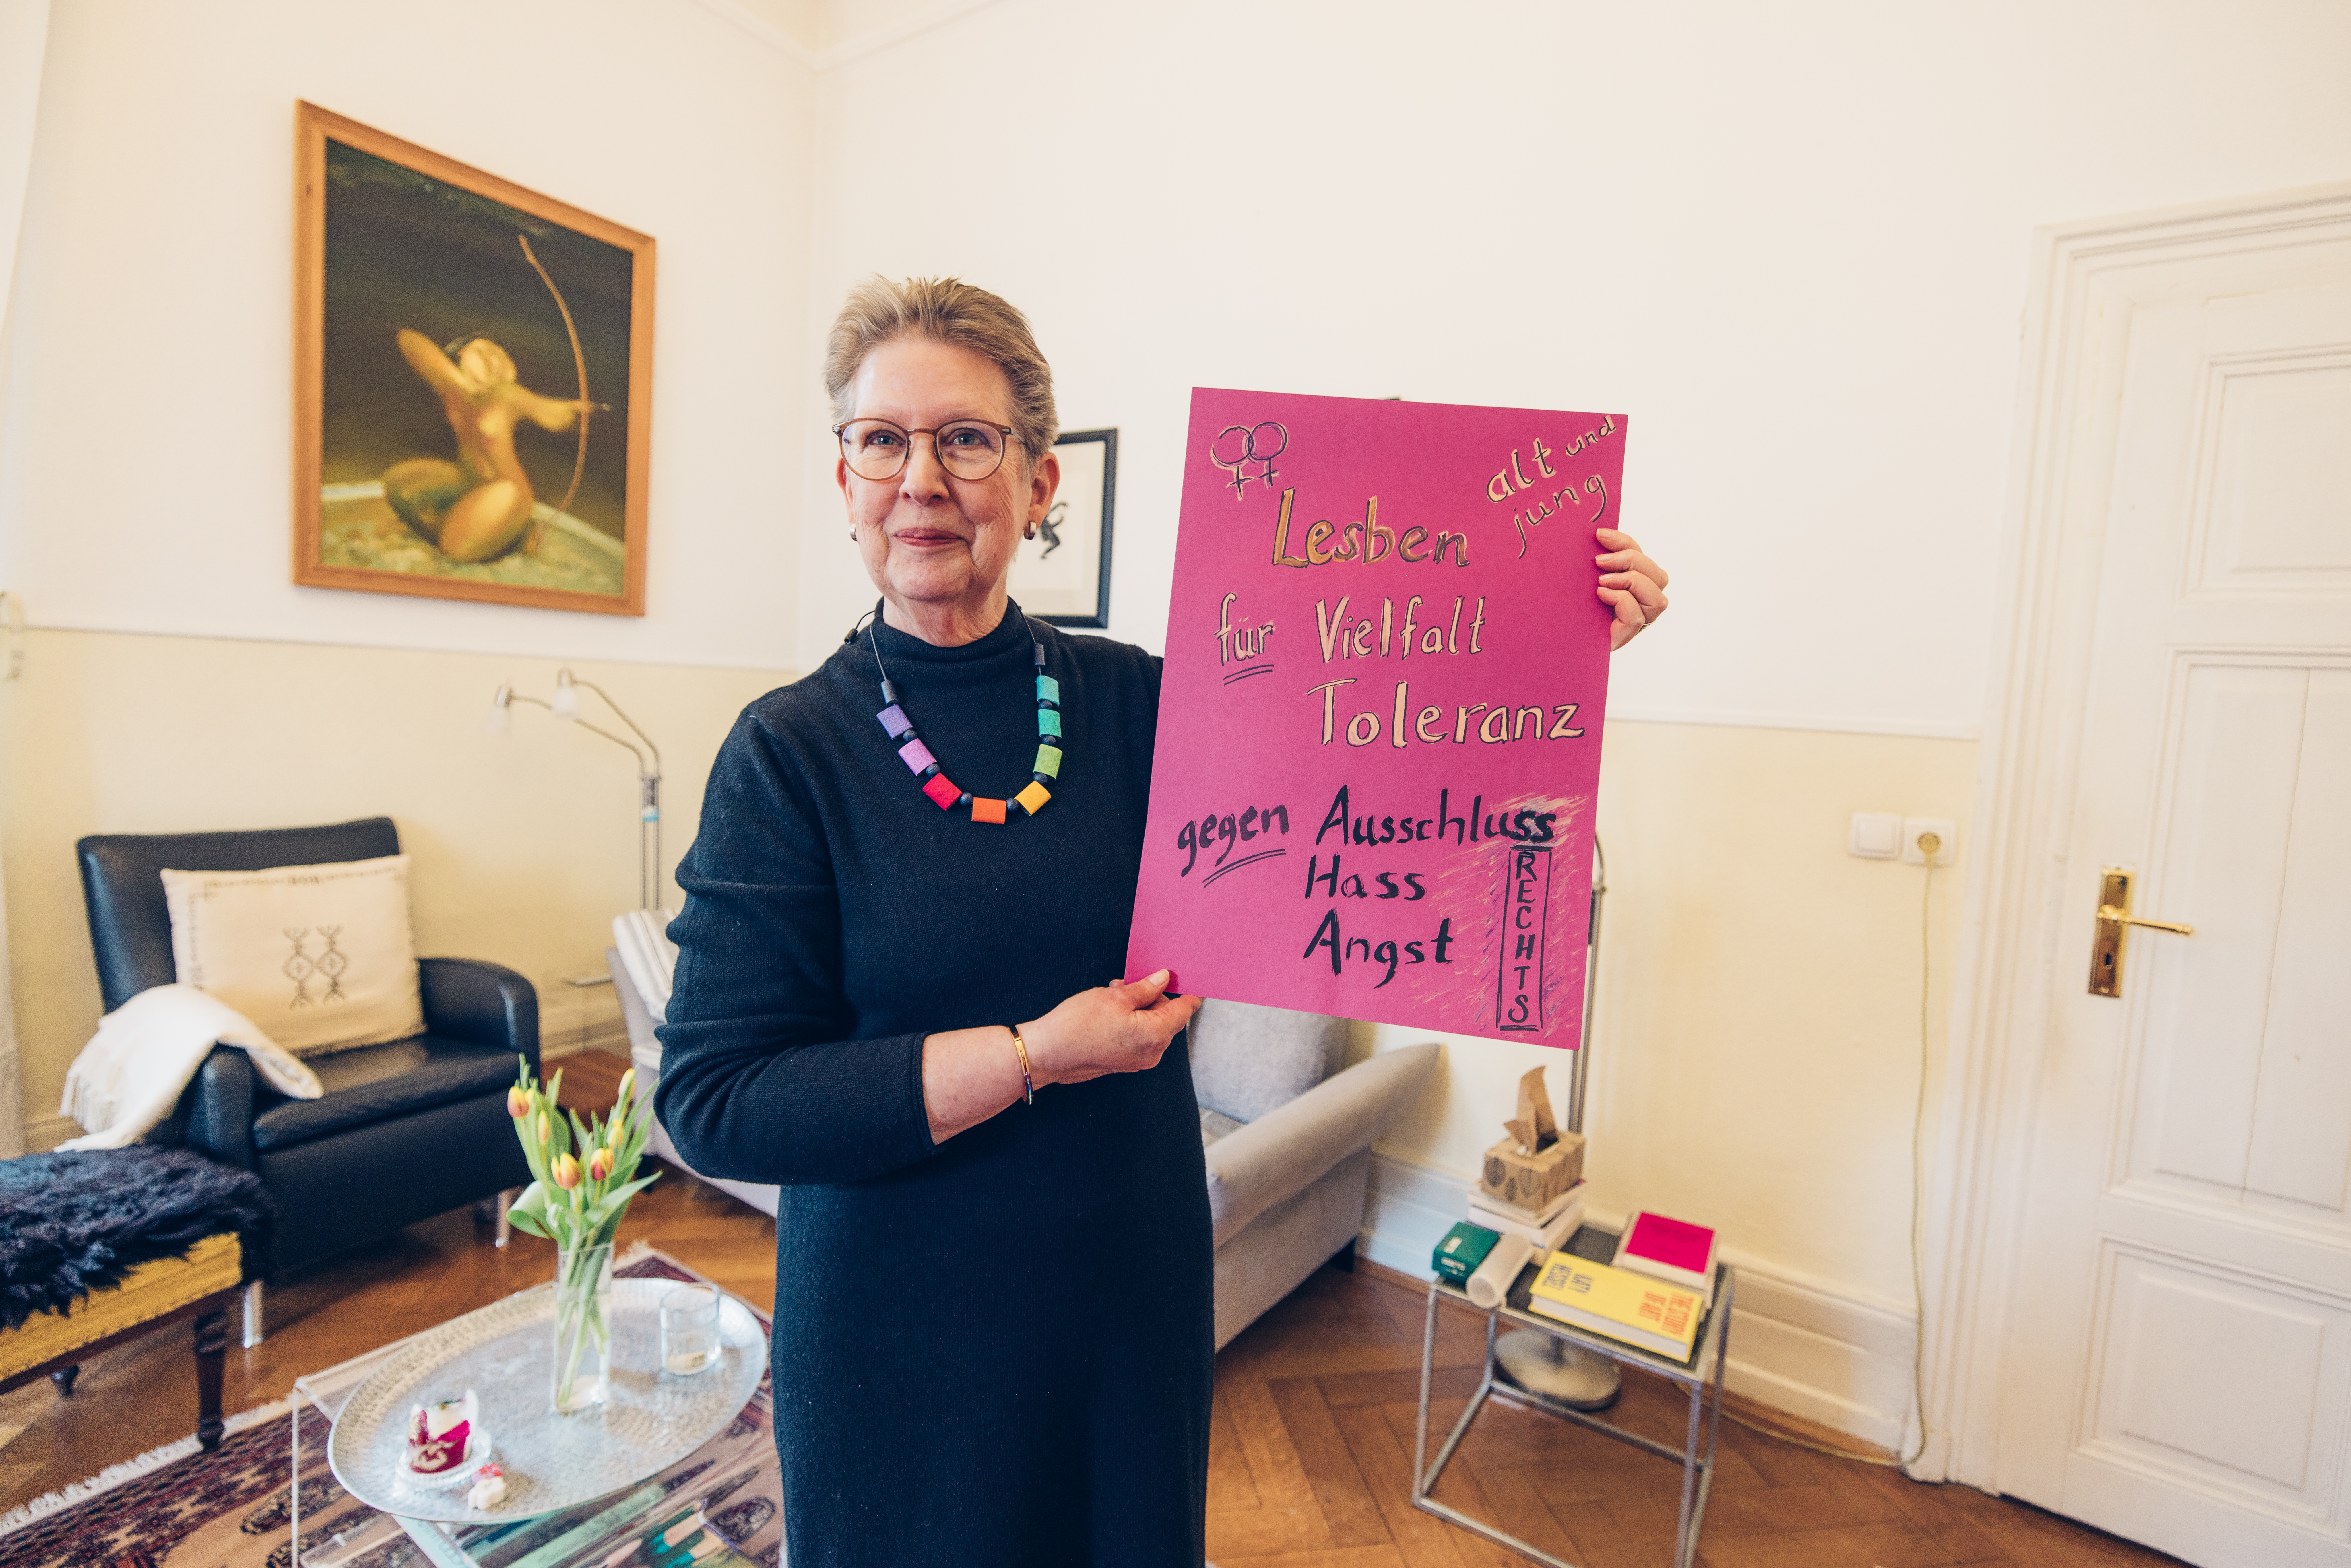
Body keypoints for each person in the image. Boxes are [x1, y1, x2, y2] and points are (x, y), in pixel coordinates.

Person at [654, 277, 1669, 1568]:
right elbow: (716, 1097)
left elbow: (1388, 779)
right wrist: (1034, 1052)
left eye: (967, 439)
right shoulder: (786, 752)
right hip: (901, 1319)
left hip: (1125, 1282)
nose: (922, 477)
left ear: (1037, 484)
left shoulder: (1148, 702)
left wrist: (1553, 641)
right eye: (882, 439)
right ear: (845, 478)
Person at [381, 329, 585, 563]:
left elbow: (553, 414)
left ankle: (499, 532)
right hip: (469, 482)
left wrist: (574, 411)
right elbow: (408, 339)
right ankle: (485, 534)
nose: (493, 362)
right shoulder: (452, 388)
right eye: (483, 353)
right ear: (463, 357)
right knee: (398, 482)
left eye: (499, 356)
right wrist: (459, 382)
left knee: (454, 549)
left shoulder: (508, 396)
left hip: (506, 490)